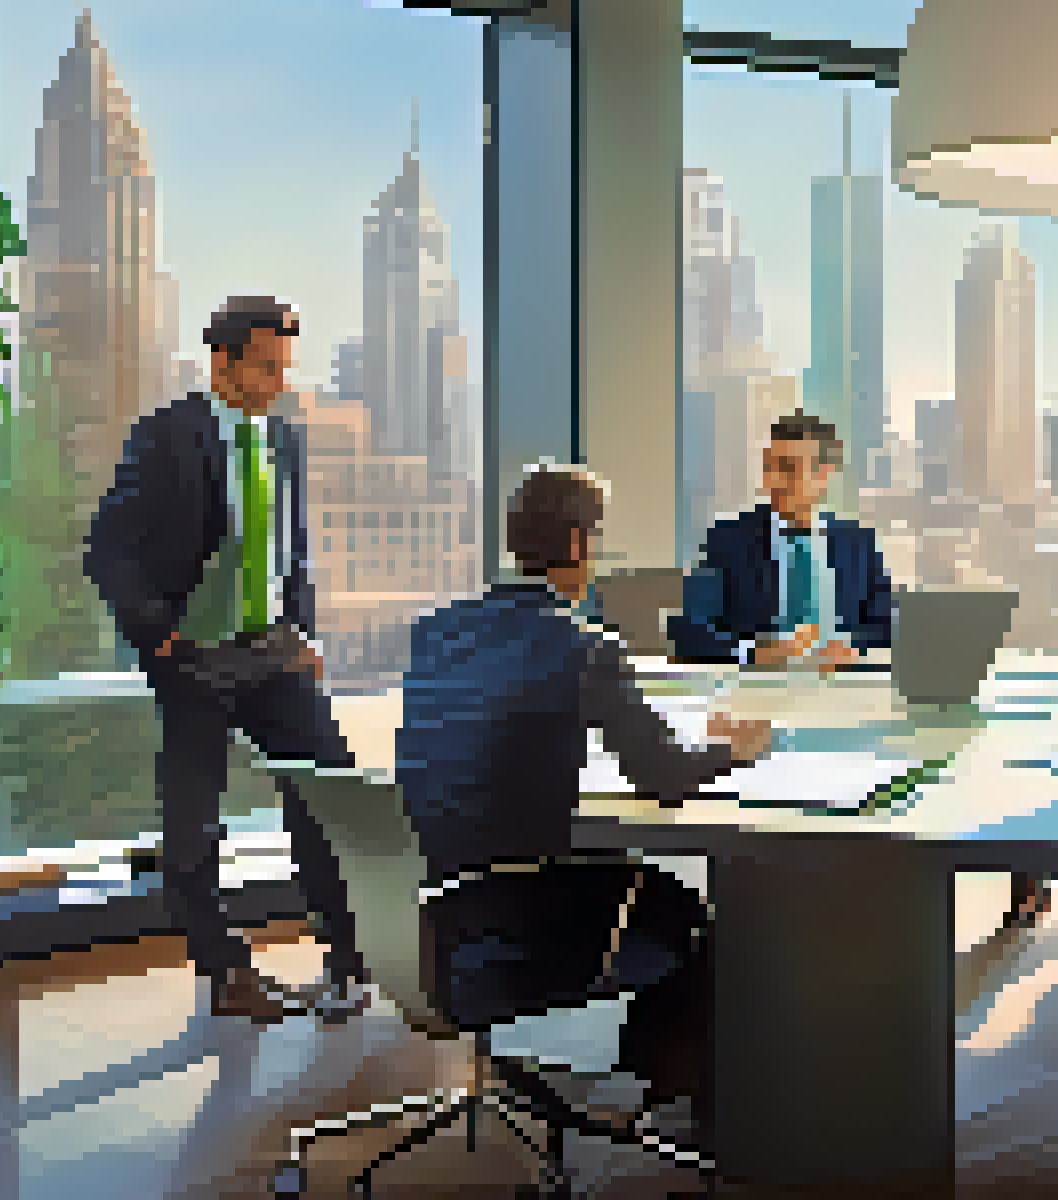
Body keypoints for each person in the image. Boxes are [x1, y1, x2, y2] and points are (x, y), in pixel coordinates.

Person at [397, 465, 774, 1135]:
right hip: (521, 912)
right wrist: (734, 752)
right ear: (575, 545)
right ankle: (683, 1101)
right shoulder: (583, 646)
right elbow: (664, 778)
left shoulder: (434, 634)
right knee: (695, 911)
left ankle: (637, 1074)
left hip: (424, 919)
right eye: (596, 538)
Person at [86, 296, 368, 1025]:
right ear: (224, 363)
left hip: (274, 652)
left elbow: (289, 549)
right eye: (267, 366)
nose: (279, 380)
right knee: (193, 824)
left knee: (331, 795)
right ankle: (227, 972)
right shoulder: (164, 437)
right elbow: (108, 548)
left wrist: (303, 631)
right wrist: (160, 637)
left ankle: (351, 956)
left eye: (285, 366)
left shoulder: (286, 439)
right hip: (195, 657)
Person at [668, 412, 896, 666]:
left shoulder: (858, 544)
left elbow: (888, 626)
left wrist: (852, 648)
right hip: (758, 688)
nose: (774, 480)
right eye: (769, 467)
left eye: (789, 468)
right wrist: (756, 652)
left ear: (824, 474)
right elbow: (689, 631)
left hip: (841, 686)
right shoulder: (727, 540)